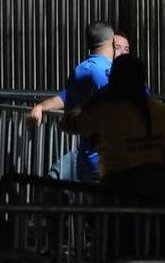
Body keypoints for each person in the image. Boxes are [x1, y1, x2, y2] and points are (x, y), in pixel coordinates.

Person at [61, 53, 165, 196]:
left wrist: (93, 100)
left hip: (119, 193)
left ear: (112, 81)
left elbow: (66, 124)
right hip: (157, 193)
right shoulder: (160, 110)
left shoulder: (104, 111)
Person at [27, 22, 115, 182]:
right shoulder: (113, 72)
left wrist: (40, 106)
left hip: (86, 161)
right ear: (113, 41)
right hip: (111, 163)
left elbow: (66, 100)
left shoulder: (80, 71)